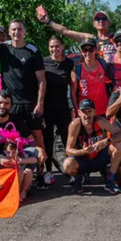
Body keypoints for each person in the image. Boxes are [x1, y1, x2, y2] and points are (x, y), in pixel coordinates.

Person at [0, 91, 43, 201]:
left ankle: (22, 190)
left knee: (33, 151)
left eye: (6, 103)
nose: (2, 106)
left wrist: (39, 148)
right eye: (0, 102)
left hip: (15, 157)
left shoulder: (17, 120)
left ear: (11, 105)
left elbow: (30, 139)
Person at [0, 20, 47, 142]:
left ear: (25, 32)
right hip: (10, 103)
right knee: (11, 136)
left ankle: (41, 161)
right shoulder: (2, 49)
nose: (16, 32)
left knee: (37, 135)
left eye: (19, 29)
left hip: (30, 102)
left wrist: (40, 103)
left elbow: (42, 80)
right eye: (13, 29)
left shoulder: (33, 51)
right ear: (9, 32)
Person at [62, 98, 121, 194]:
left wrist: (105, 141)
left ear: (94, 112)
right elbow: (68, 150)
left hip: (99, 158)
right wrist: (84, 151)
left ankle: (110, 179)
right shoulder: (75, 125)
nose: (87, 115)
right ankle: (78, 179)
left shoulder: (100, 121)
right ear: (79, 113)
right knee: (67, 164)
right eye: (84, 112)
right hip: (83, 160)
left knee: (118, 144)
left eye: (89, 111)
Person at [41, 35, 75, 179]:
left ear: (63, 46)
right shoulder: (43, 62)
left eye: (57, 46)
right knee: (47, 139)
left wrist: (75, 107)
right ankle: (48, 171)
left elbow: (73, 87)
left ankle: (71, 170)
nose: (54, 49)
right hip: (47, 107)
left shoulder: (69, 63)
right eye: (51, 46)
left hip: (63, 107)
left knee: (68, 139)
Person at [37, 6, 117, 58]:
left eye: (104, 19)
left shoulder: (118, 38)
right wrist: (48, 21)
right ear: (94, 24)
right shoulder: (91, 38)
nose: (101, 21)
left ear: (109, 23)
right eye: (97, 19)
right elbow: (66, 31)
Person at [72, 36, 114, 115]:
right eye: (85, 50)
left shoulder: (103, 64)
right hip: (85, 113)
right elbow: (73, 93)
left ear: (96, 50)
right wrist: (76, 110)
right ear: (81, 51)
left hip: (103, 111)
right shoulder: (77, 69)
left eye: (90, 49)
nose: (88, 53)